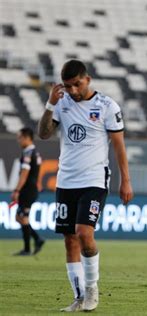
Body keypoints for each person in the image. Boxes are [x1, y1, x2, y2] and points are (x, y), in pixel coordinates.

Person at [38, 60, 133, 311]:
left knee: (84, 233)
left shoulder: (107, 106)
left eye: (77, 85)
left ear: (87, 79)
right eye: (68, 86)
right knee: (70, 239)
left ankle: (92, 288)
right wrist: (51, 104)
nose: (73, 91)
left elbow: (119, 146)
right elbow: (44, 133)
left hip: (94, 179)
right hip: (66, 180)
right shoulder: (62, 104)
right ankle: (79, 297)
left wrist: (126, 180)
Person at [11, 127, 45, 256]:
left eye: (19, 138)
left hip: (27, 190)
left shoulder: (28, 153)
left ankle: (29, 246)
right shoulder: (35, 153)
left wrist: (17, 190)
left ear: (26, 137)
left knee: (22, 217)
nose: (18, 141)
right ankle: (36, 240)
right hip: (31, 189)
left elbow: (24, 174)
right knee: (20, 217)